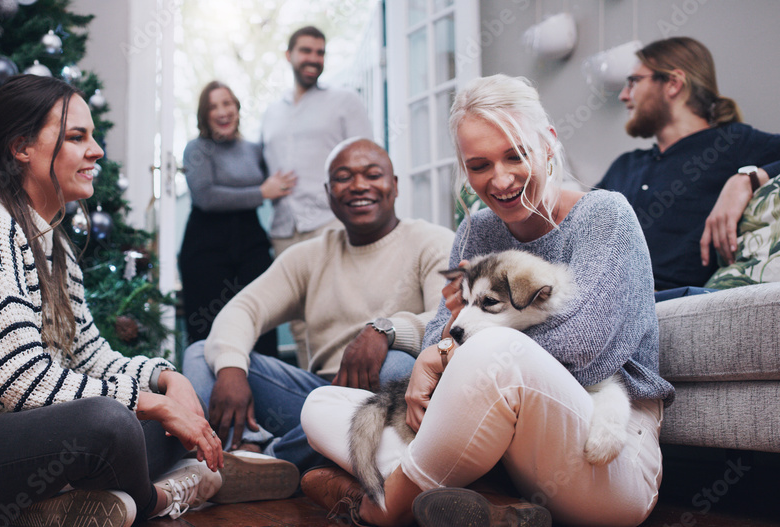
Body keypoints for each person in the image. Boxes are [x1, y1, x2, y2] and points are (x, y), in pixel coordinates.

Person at [0, 75, 285, 527]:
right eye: (77, 137)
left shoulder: (50, 241)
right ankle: (165, 495)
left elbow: (90, 355)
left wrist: (166, 378)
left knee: (176, 411)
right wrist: (154, 404)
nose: (96, 151)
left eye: (91, 136)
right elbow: (24, 381)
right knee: (112, 423)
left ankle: (59, 508)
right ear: (22, 148)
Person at [300, 75, 676, 527]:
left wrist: (441, 356)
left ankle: (376, 508)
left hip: (605, 449)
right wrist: (428, 357)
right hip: (503, 452)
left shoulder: (605, 216)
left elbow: (583, 351)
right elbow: (444, 323)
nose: (500, 179)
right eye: (479, 165)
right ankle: (489, 506)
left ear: (548, 144)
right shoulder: (477, 231)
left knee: (495, 349)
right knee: (321, 405)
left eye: (515, 155)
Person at [182, 138, 455, 473]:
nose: (358, 186)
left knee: (398, 369)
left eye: (372, 174)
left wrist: (387, 329)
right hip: (316, 399)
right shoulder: (310, 255)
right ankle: (242, 458)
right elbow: (244, 310)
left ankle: (268, 461)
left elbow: (448, 322)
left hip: (387, 399)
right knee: (202, 354)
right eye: (343, 177)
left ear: (394, 186)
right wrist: (230, 368)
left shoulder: (432, 242)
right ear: (328, 192)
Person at [597, 36, 780, 290]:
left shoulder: (731, 142)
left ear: (673, 83)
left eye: (633, 82)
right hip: (599, 296)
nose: (624, 96)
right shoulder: (624, 166)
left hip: (668, 301)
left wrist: (747, 179)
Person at [261, 25, 375, 367]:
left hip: (328, 221)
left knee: (338, 311)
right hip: (284, 228)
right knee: (298, 319)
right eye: (306, 51)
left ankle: (347, 393)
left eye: (320, 52)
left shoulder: (343, 102)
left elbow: (366, 158)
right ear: (289, 55)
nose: (314, 59)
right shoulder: (271, 112)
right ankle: (311, 393)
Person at [179, 81, 294, 356]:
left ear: (237, 109)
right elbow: (206, 197)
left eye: (227, 103)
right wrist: (261, 192)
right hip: (205, 244)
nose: (222, 111)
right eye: (213, 106)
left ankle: (266, 392)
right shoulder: (197, 148)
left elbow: (277, 180)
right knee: (209, 326)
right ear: (204, 115)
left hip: (250, 238)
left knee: (261, 317)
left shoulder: (253, 149)